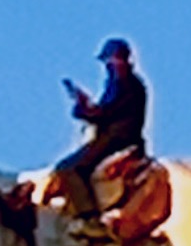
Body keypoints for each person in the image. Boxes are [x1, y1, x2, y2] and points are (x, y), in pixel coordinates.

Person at [54, 38, 148, 219]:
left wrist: (83, 111)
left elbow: (106, 113)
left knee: (68, 169)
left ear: (118, 59)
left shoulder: (126, 83)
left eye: (109, 60)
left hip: (117, 138)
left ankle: (89, 217)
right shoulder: (125, 83)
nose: (108, 65)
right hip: (120, 136)